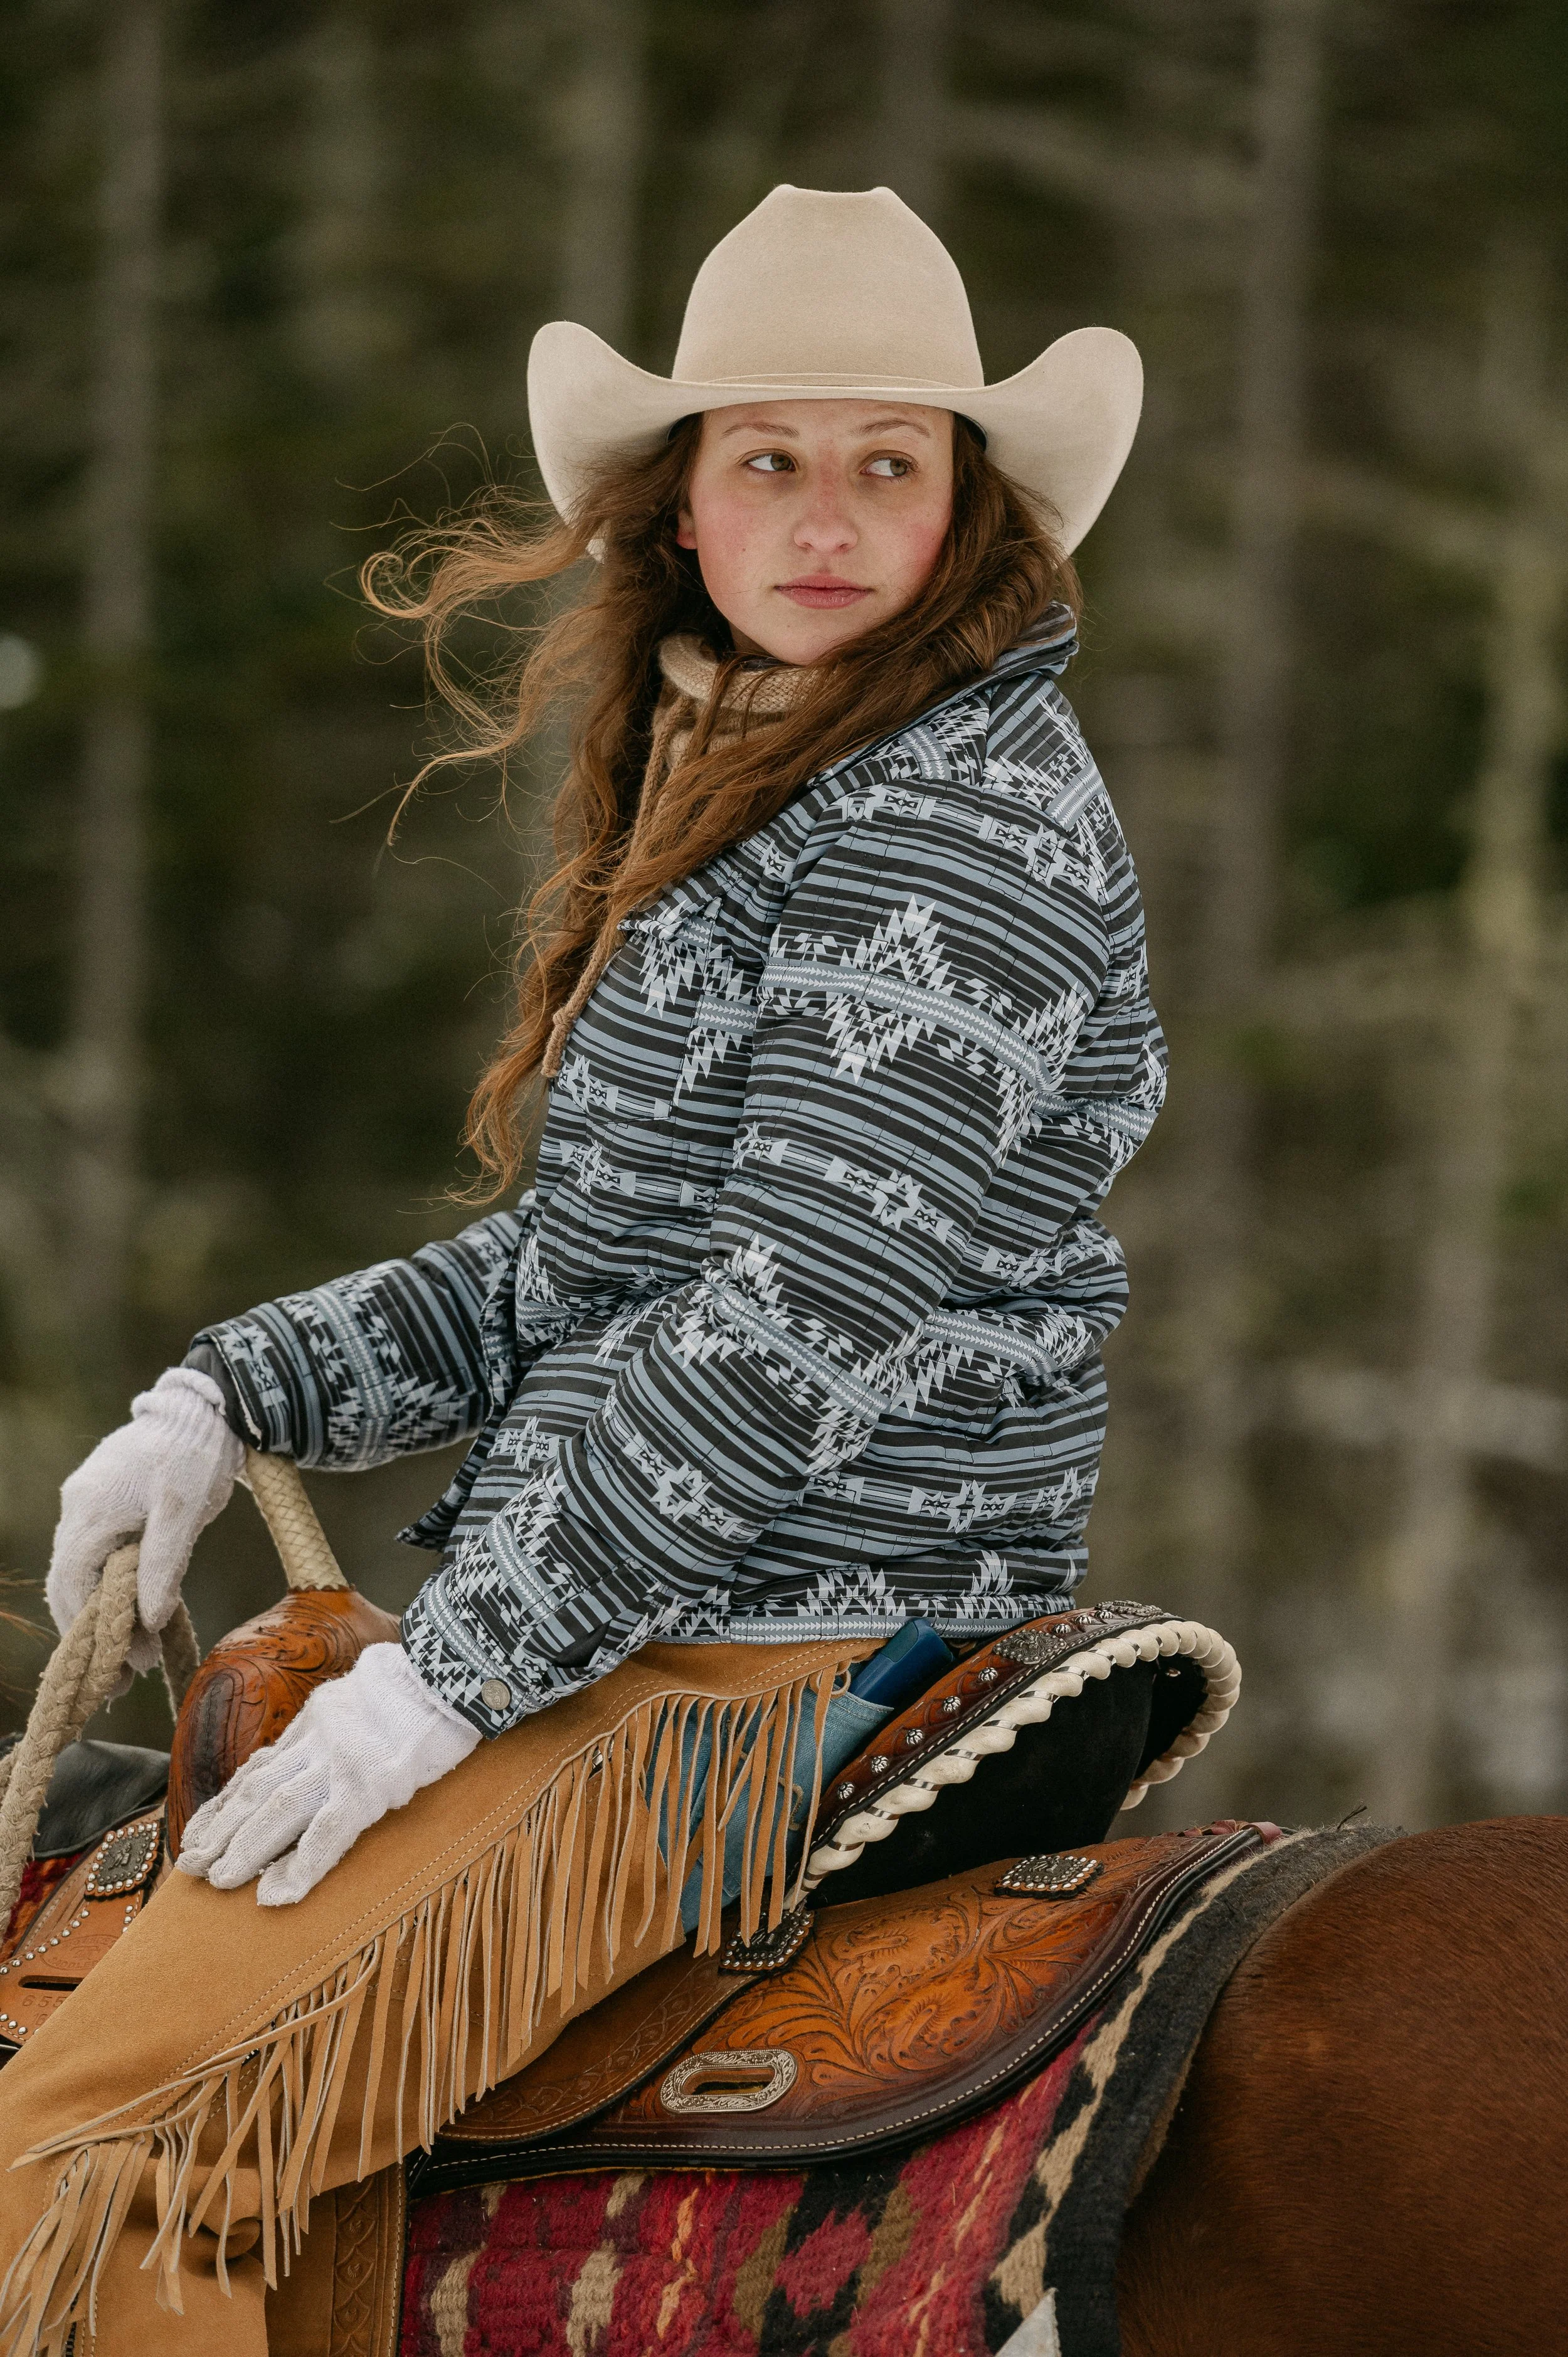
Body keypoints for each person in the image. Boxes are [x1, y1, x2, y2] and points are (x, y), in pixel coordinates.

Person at [0, 184, 1159, 2353]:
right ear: (683, 513)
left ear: (966, 513)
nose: (825, 517)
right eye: (769, 460)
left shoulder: (962, 828)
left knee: (91, 2132)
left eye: (885, 463)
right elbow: (581, 1267)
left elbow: (786, 1320)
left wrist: (447, 1686)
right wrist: (228, 1391)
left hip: (768, 1645)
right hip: (673, 1599)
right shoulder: (783, 784)